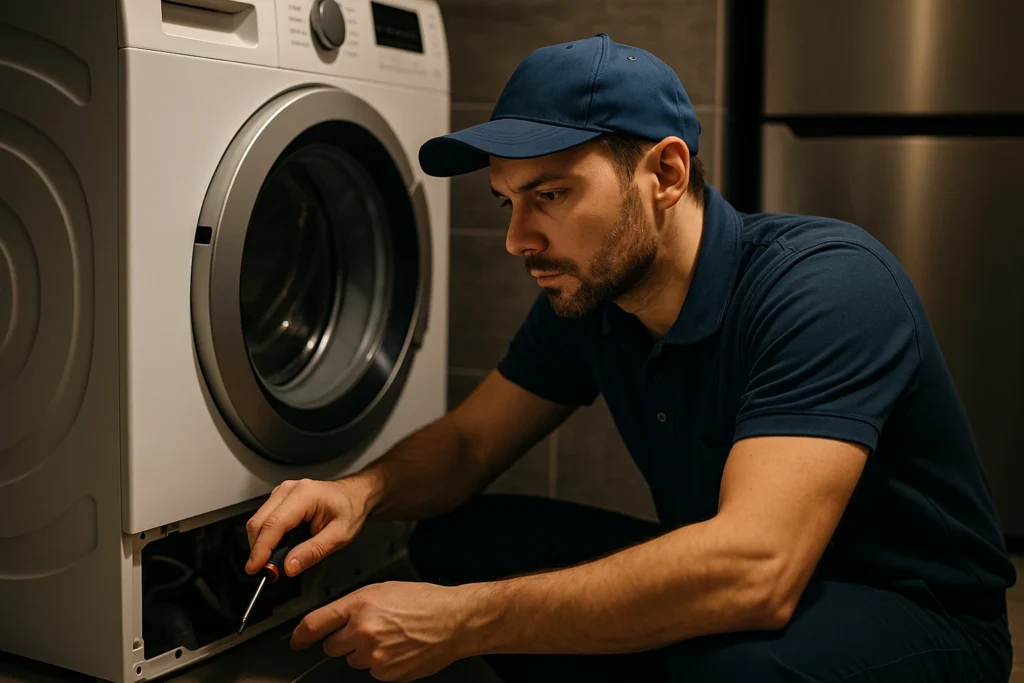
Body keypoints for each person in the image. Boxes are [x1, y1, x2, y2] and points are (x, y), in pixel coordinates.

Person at [243, 34, 1017, 682]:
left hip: (914, 612)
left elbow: (758, 568)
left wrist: (465, 622)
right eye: (507, 202)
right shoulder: (593, 294)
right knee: (455, 540)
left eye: (550, 195)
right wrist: (361, 492)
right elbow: (471, 444)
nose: (518, 240)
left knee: (729, 668)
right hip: (748, 574)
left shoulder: (827, 286)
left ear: (666, 176)